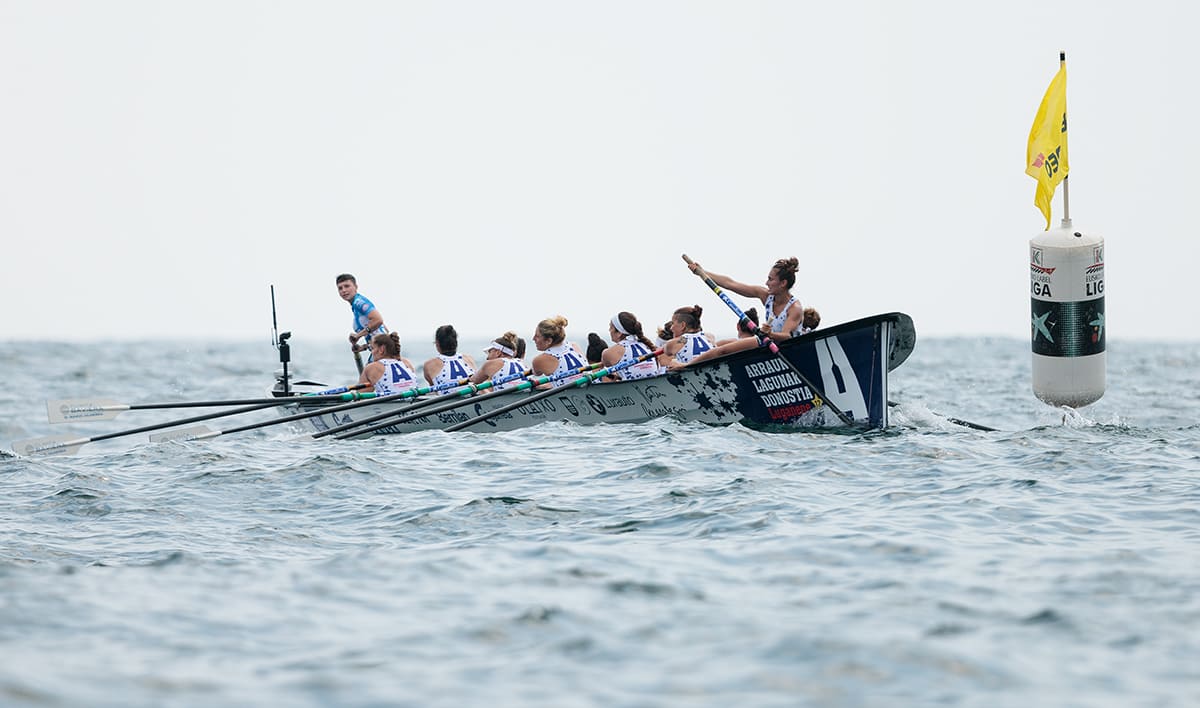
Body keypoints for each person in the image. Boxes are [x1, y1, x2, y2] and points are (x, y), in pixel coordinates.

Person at [686, 257, 803, 341]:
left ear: (783, 283)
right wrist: (702, 272)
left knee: (726, 348)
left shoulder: (794, 308)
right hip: (770, 346)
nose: (766, 283)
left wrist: (770, 333)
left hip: (789, 348)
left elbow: (786, 336)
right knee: (724, 345)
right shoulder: (766, 295)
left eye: (771, 279)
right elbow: (730, 284)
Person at [336, 274, 388, 357]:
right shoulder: (355, 307)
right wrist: (363, 347)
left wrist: (358, 335)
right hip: (379, 351)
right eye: (340, 288)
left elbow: (378, 320)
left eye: (347, 286)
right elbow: (384, 331)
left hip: (383, 352)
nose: (344, 290)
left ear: (356, 287)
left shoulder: (359, 303)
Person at [600, 312, 662, 380]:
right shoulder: (646, 345)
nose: (609, 330)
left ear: (619, 333)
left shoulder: (609, 353)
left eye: (611, 327)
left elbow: (605, 363)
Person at [530, 316, 587, 387]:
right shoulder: (574, 346)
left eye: (537, 336)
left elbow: (536, 373)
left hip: (570, 395)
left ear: (549, 341)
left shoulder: (539, 360)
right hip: (592, 387)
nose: (533, 339)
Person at [422, 325, 477, 392]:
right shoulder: (469, 359)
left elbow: (434, 389)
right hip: (472, 398)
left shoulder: (429, 364)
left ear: (437, 343)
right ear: (456, 342)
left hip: (448, 401)